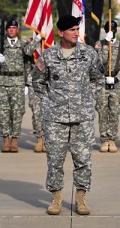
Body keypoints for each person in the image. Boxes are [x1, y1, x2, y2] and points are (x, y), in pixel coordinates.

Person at [31, 15, 104, 216]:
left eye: (76, 29)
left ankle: (81, 199)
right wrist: (49, 102)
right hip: (55, 119)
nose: (75, 33)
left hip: (83, 117)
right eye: (71, 29)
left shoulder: (88, 53)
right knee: (55, 160)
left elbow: (99, 79)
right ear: (61, 32)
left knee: (83, 159)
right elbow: (37, 81)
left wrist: (89, 99)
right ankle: (56, 199)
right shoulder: (48, 55)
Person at [0, 19, 33, 153]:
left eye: (14, 28)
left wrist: (27, 83)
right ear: (7, 30)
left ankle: (15, 139)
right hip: (3, 81)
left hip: (18, 81)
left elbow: (28, 60)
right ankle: (5, 139)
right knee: (3, 112)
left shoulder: (23, 45)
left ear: (17, 30)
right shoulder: (0, 46)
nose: (11, 30)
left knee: (17, 111)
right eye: (9, 28)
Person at [94, 20, 120, 153]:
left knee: (114, 112)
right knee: (102, 112)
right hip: (102, 82)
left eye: (112, 29)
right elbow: (97, 63)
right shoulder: (99, 44)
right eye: (108, 29)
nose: (110, 31)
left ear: (116, 30)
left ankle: (112, 139)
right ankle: (104, 140)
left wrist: (116, 78)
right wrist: (105, 45)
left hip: (116, 83)